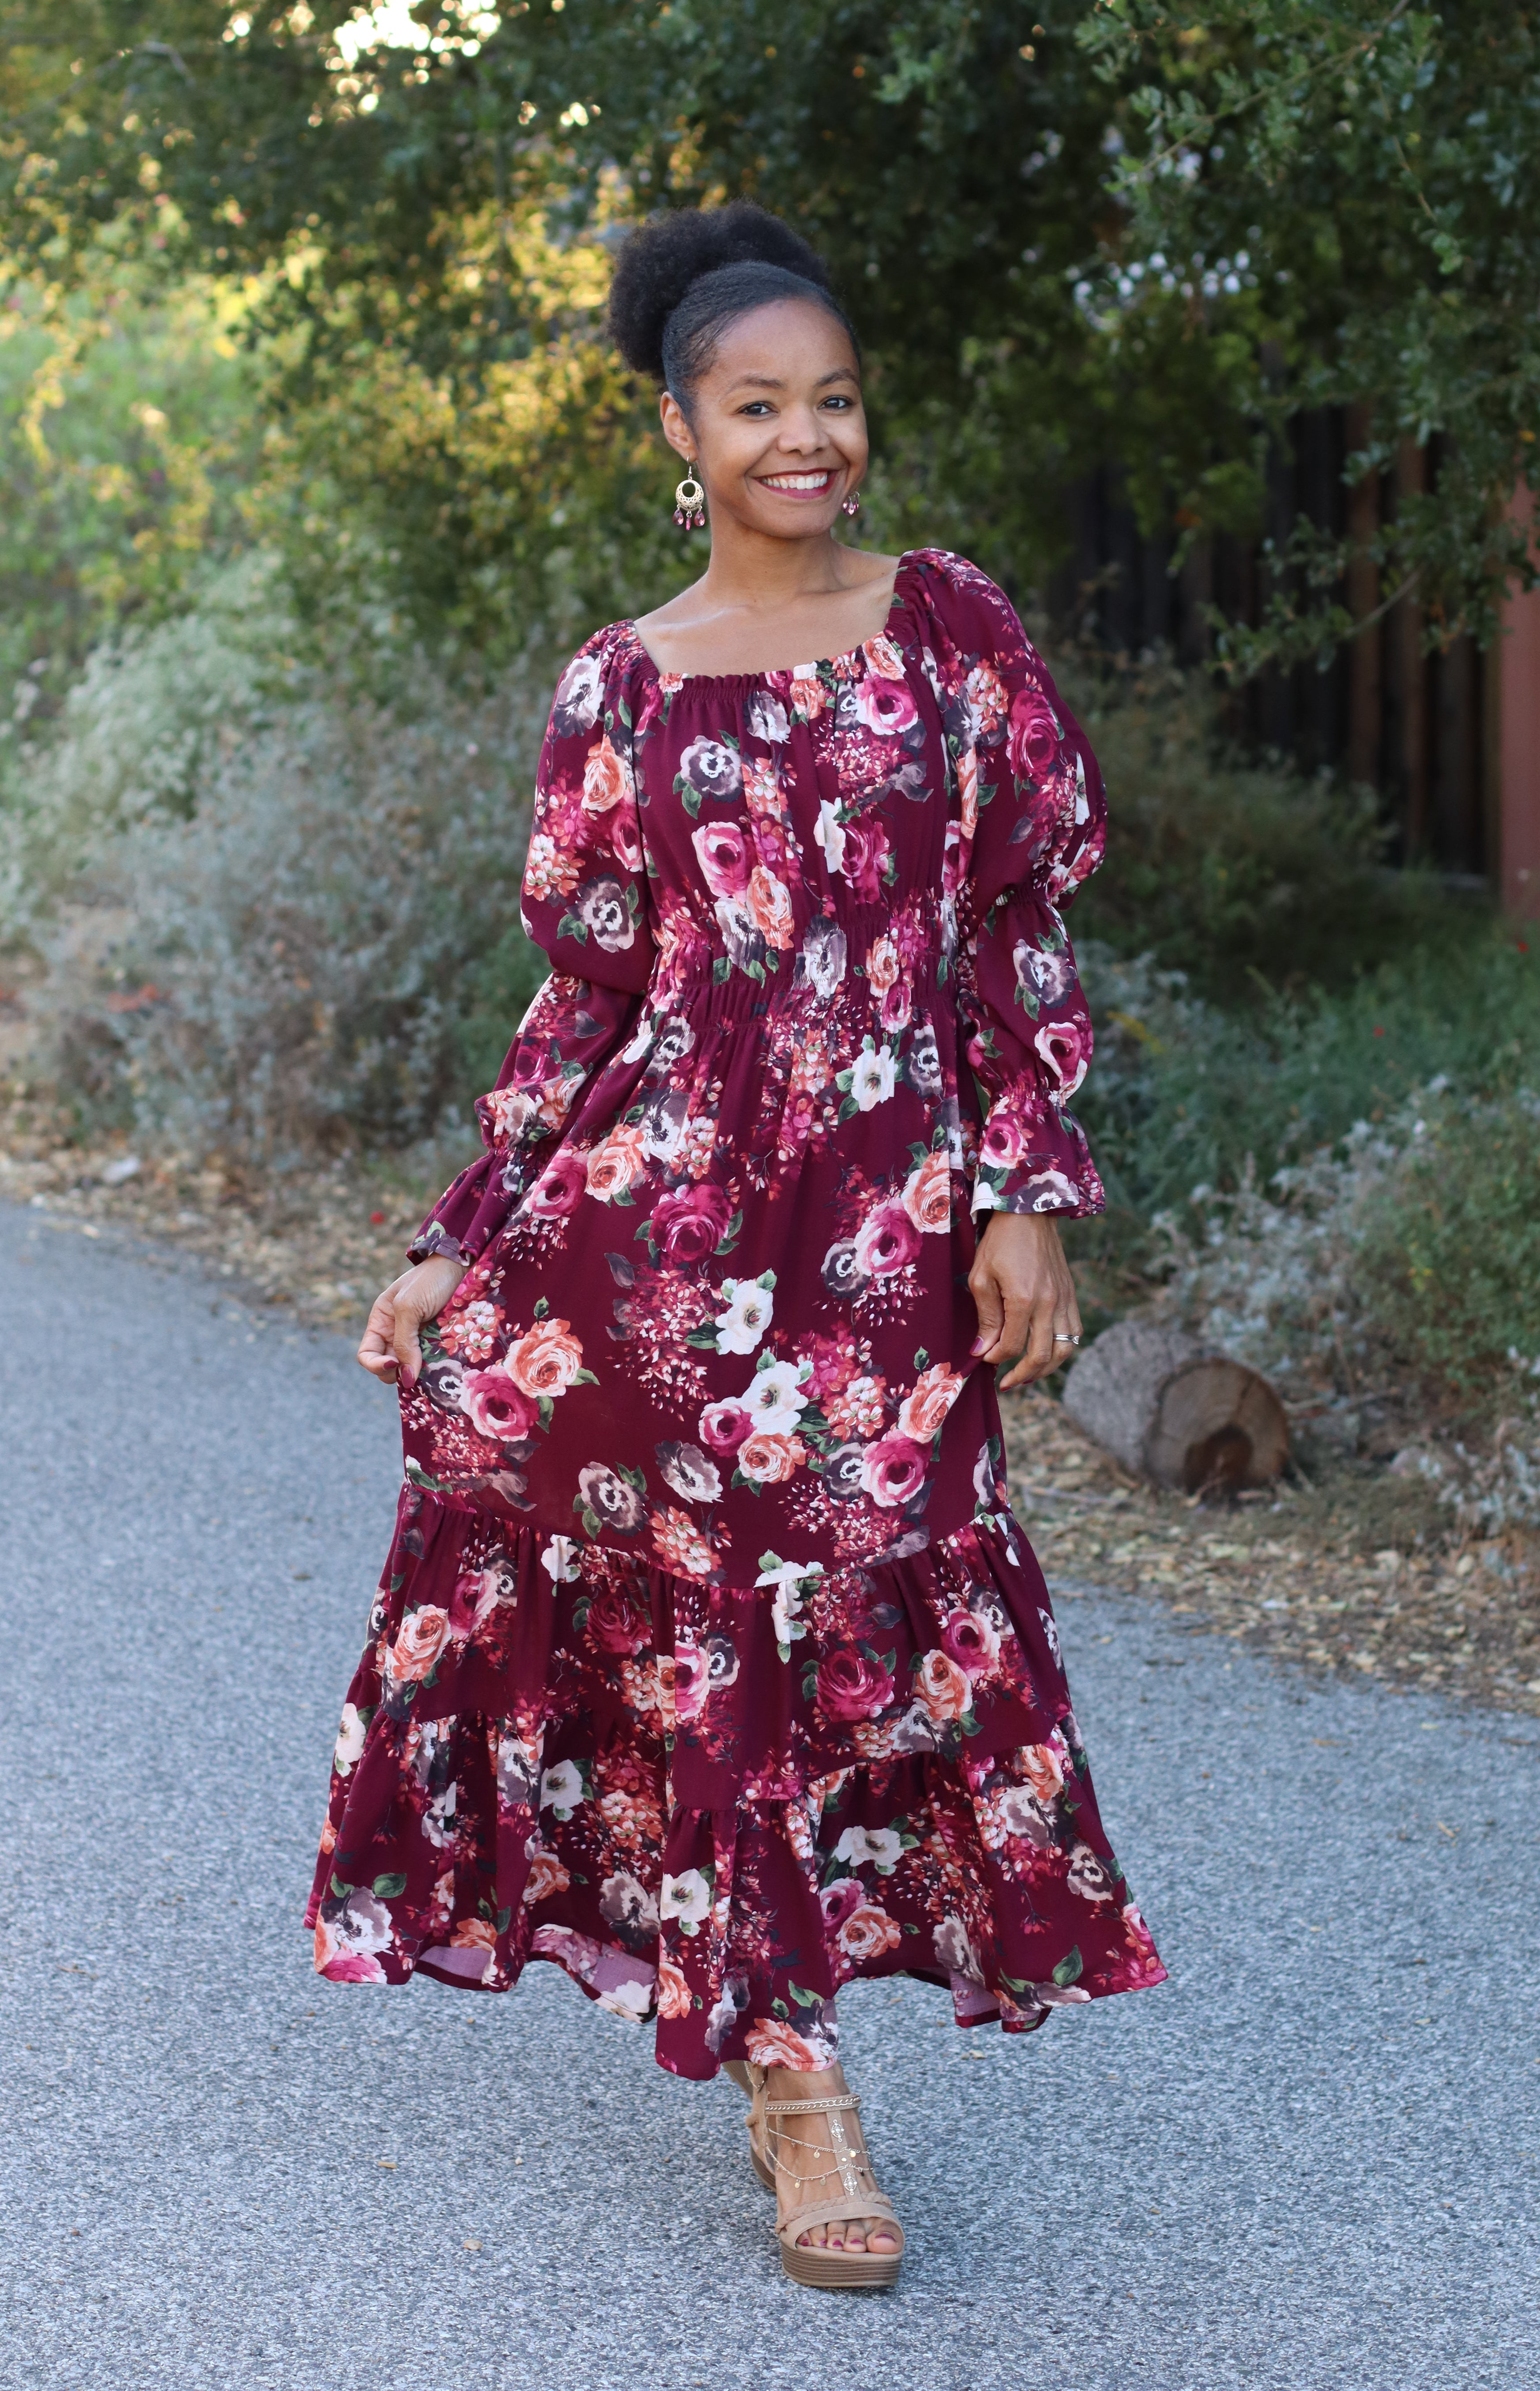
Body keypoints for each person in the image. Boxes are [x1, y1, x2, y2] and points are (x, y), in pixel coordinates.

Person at [308, 203, 1166, 2291]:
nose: (808, 438)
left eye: (836, 398)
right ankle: (796, 2084)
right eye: (758, 406)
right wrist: (459, 1241)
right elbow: (589, 1005)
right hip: (658, 1241)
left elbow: (1011, 939)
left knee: (870, 1599)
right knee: (702, 1624)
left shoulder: (949, 629)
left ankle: (799, 2014)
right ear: (679, 434)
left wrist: (1026, 1195)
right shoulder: (623, 683)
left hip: (883, 1246)